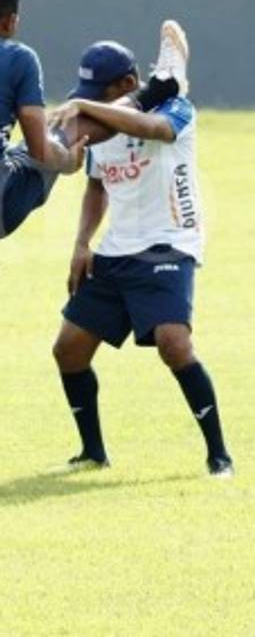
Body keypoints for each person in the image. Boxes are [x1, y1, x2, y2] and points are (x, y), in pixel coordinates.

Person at [0, 0, 185, 487]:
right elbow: (39, 153)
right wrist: (71, 163)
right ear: (10, 21)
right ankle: (157, 91)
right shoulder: (19, 59)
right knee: (65, 129)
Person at [50, 31, 233, 477]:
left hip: (169, 241)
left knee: (174, 344)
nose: (93, 100)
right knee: (68, 350)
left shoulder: (176, 108)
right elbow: (96, 185)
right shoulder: (102, 128)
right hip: (117, 250)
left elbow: (154, 129)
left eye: (102, 92)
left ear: (129, 83)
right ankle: (93, 453)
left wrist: (87, 109)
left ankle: (219, 455)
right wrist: (82, 243)